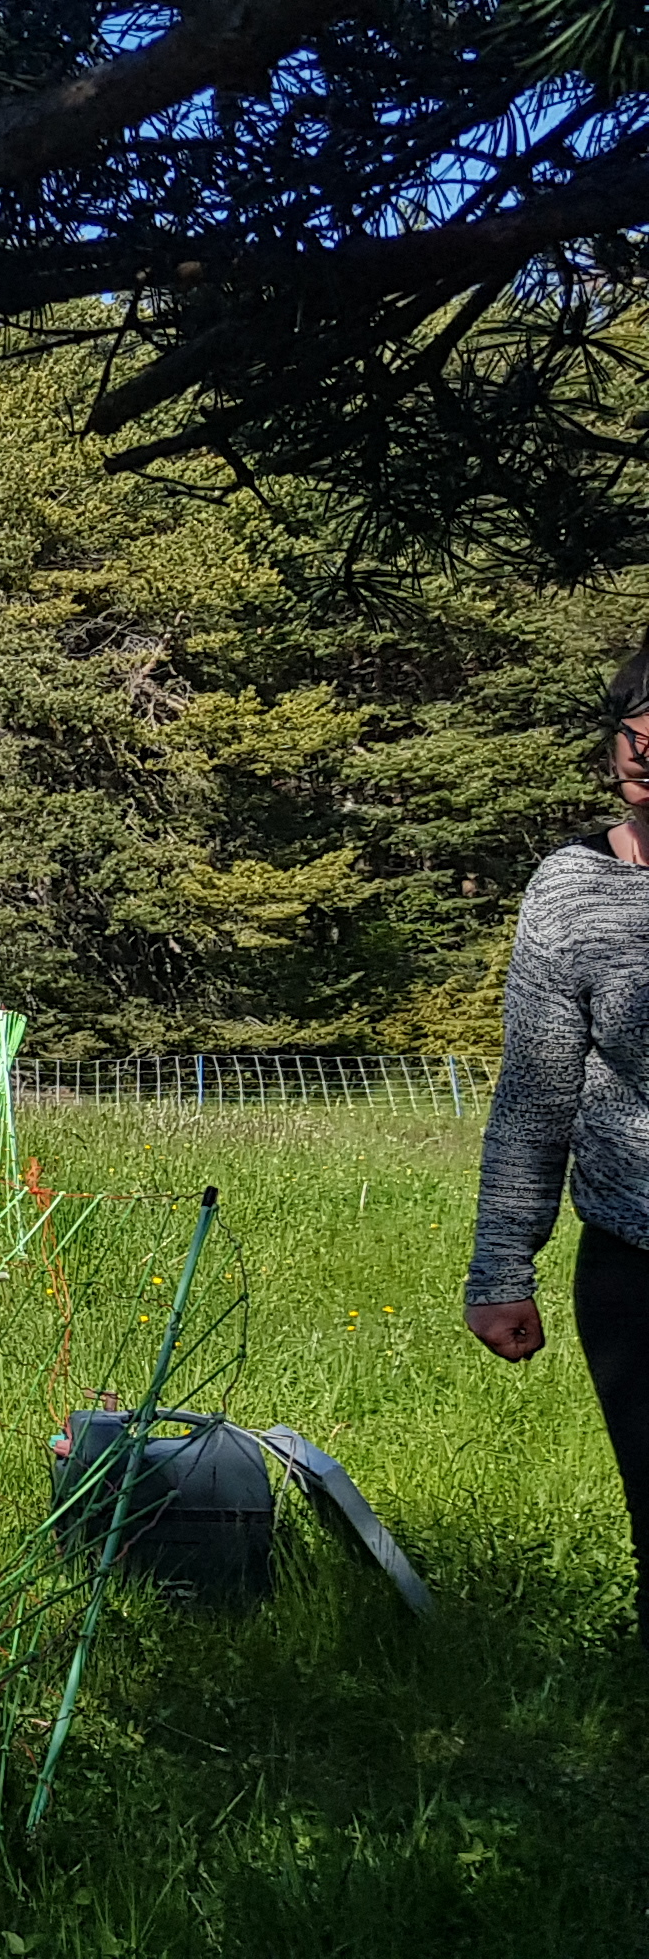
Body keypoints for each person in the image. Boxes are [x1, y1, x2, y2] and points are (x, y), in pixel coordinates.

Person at [469, 646, 649, 1644]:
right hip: (635, 1261)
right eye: (636, 724)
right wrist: (502, 1266)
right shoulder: (571, 890)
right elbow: (536, 1096)